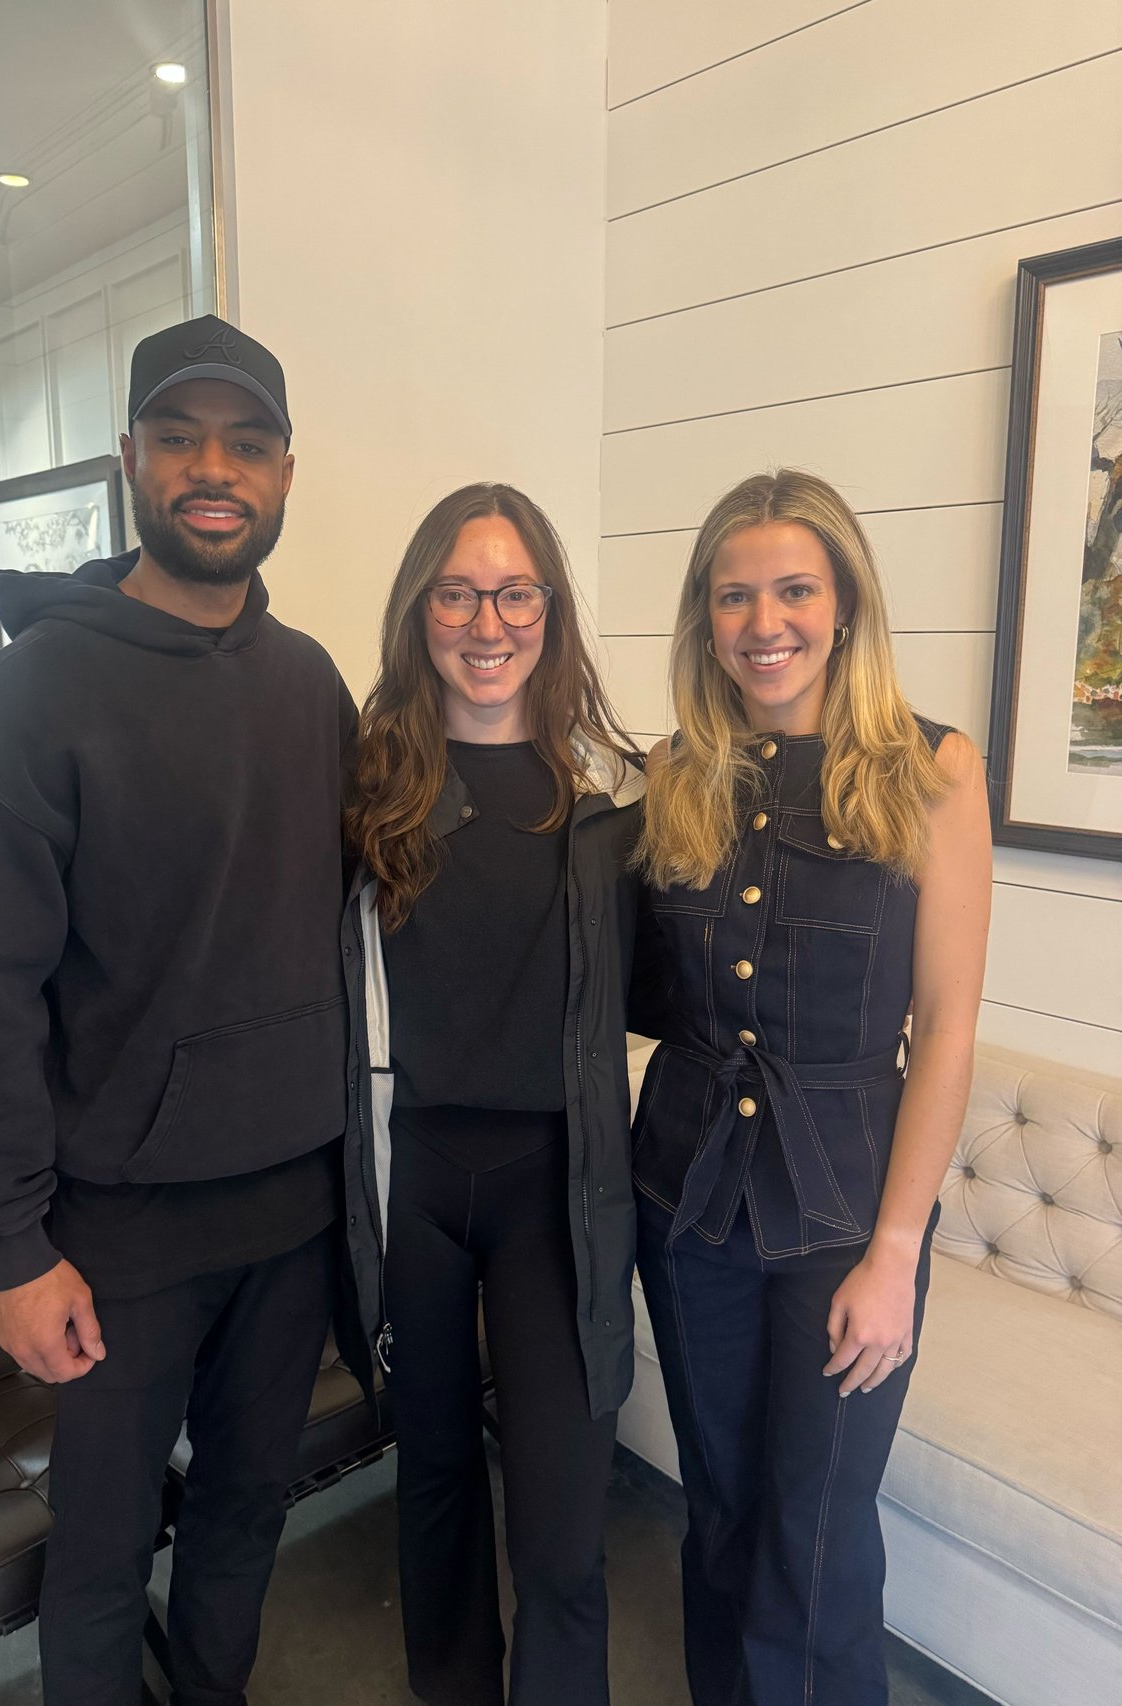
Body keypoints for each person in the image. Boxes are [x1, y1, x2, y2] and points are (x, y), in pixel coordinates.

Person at [0, 315, 356, 1706]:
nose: (213, 469)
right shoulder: (23, 699)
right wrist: (9, 1247)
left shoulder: (315, 685)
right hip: (116, 1235)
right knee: (103, 1554)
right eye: (180, 438)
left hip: (293, 1213)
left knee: (244, 1512)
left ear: (285, 472)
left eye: (246, 443)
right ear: (130, 460)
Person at [630, 470, 991, 1706]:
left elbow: (944, 1028)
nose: (762, 621)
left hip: (848, 1217)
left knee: (817, 1539)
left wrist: (894, 1250)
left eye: (792, 589)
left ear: (843, 605)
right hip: (685, 1204)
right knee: (721, 1511)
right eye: (733, 595)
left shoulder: (931, 768)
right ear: (704, 614)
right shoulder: (673, 770)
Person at [342, 483, 644, 1706]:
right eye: (457, 593)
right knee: (432, 1485)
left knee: (562, 1518)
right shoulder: (364, 784)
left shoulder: (611, 791)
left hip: (553, 1187)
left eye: (515, 593)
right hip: (409, 1175)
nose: (487, 622)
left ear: (549, 608)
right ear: (418, 608)